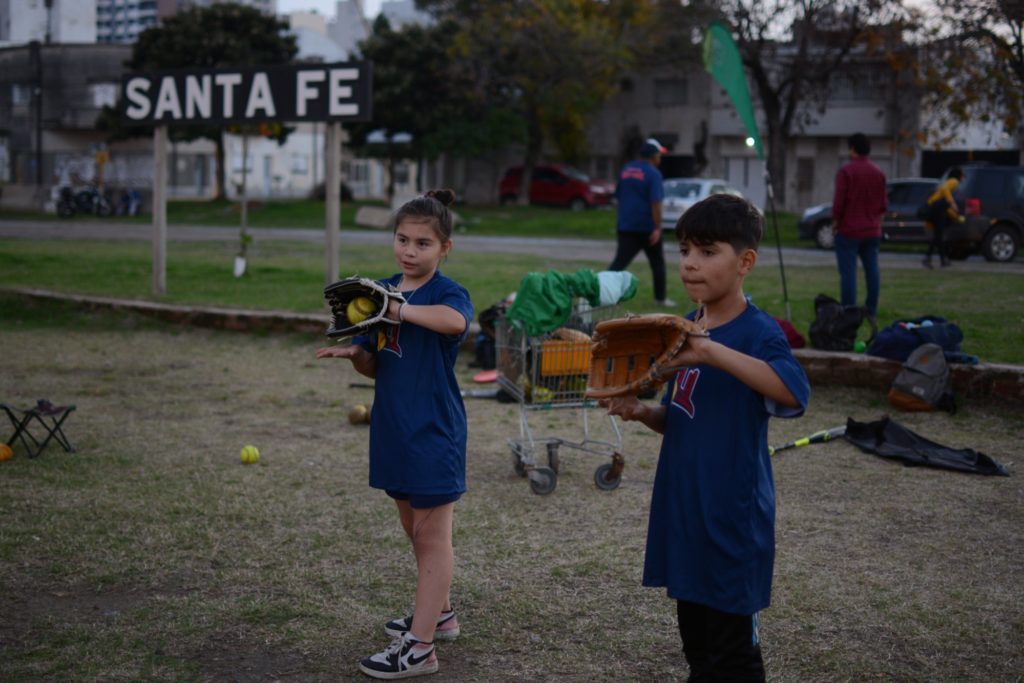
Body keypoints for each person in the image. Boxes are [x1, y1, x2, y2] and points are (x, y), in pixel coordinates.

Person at [601, 194, 810, 681]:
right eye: (685, 251)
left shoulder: (758, 332)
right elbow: (681, 416)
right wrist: (642, 411)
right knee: (697, 644)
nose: (691, 263)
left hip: (731, 515)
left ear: (745, 262)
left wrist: (711, 352)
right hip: (685, 507)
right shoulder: (686, 327)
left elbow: (794, 393)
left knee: (733, 654)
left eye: (708, 251)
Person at [316, 189, 473, 680]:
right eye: (403, 239)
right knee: (413, 528)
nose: (409, 251)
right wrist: (357, 354)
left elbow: (455, 323)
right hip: (393, 427)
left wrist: (397, 310)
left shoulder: (446, 292)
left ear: (444, 248)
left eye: (423, 243)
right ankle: (440, 614)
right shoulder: (379, 291)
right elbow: (376, 363)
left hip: (433, 429)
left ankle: (421, 649)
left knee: (432, 536)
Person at [608, 137, 675, 307]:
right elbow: (656, 203)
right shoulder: (653, 174)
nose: (660, 158)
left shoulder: (626, 170)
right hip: (647, 227)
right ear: (653, 156)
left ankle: (601, 292)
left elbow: (618, 196)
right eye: (659, 154)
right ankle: (660, 299)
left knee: (619, 263)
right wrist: (657, 228)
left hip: (625, 226)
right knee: (657, 263)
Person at [831, 132, 887, 319]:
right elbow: (883, 205)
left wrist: (835, 223)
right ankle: (871, 309)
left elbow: (839, 203)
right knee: (872, 270)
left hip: (849, 229)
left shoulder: (846, 171)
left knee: (848, 273)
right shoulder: (879, 172)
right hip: (872, 230)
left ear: (852, 148)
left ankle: (849, 310)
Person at [922, 167, 964, 269]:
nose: (963, 178)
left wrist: (956, 217)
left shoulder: (948, 182)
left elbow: (946, 206)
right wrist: (952, 203)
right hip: (936, 208)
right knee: (938, 235)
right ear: (958, 176)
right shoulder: (954, 181)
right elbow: (945, 190)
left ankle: (942, 259)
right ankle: (929, 258)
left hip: (934, 207)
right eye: (962, 176)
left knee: (938, 235)